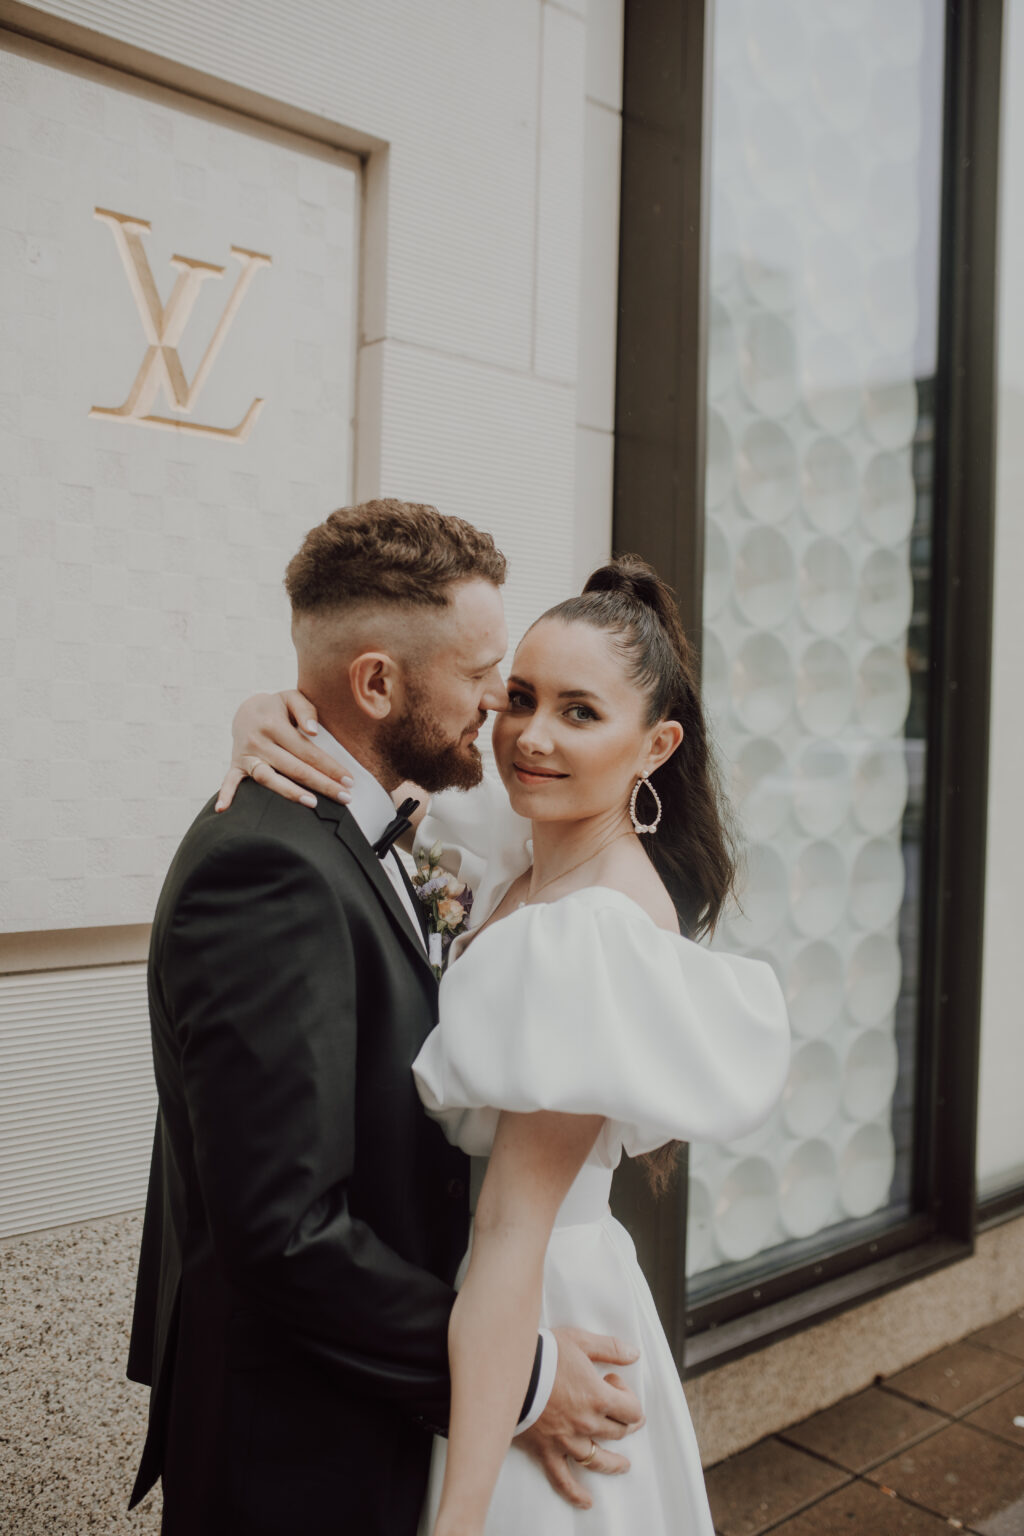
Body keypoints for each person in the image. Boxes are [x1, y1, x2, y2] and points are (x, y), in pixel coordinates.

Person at [222, 554, 792, 1534]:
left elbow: (508, 1232)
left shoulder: (595, 933)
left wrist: (463, 1513)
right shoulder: (524, 845)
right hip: (479, 1303)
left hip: (529, 1302)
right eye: (519, 697)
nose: (531, 737)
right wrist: (266, 714)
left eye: (580, 712)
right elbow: (381, 768)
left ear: (654, 745)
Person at [127, 500, 646, 1536]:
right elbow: (284, 1236)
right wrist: (523, 1375)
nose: (501, 703)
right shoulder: (269, 867)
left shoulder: (384, 815)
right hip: (299, 1442)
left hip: (368, 1397)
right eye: (483, 673)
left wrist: (273, 707)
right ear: (376, 682)